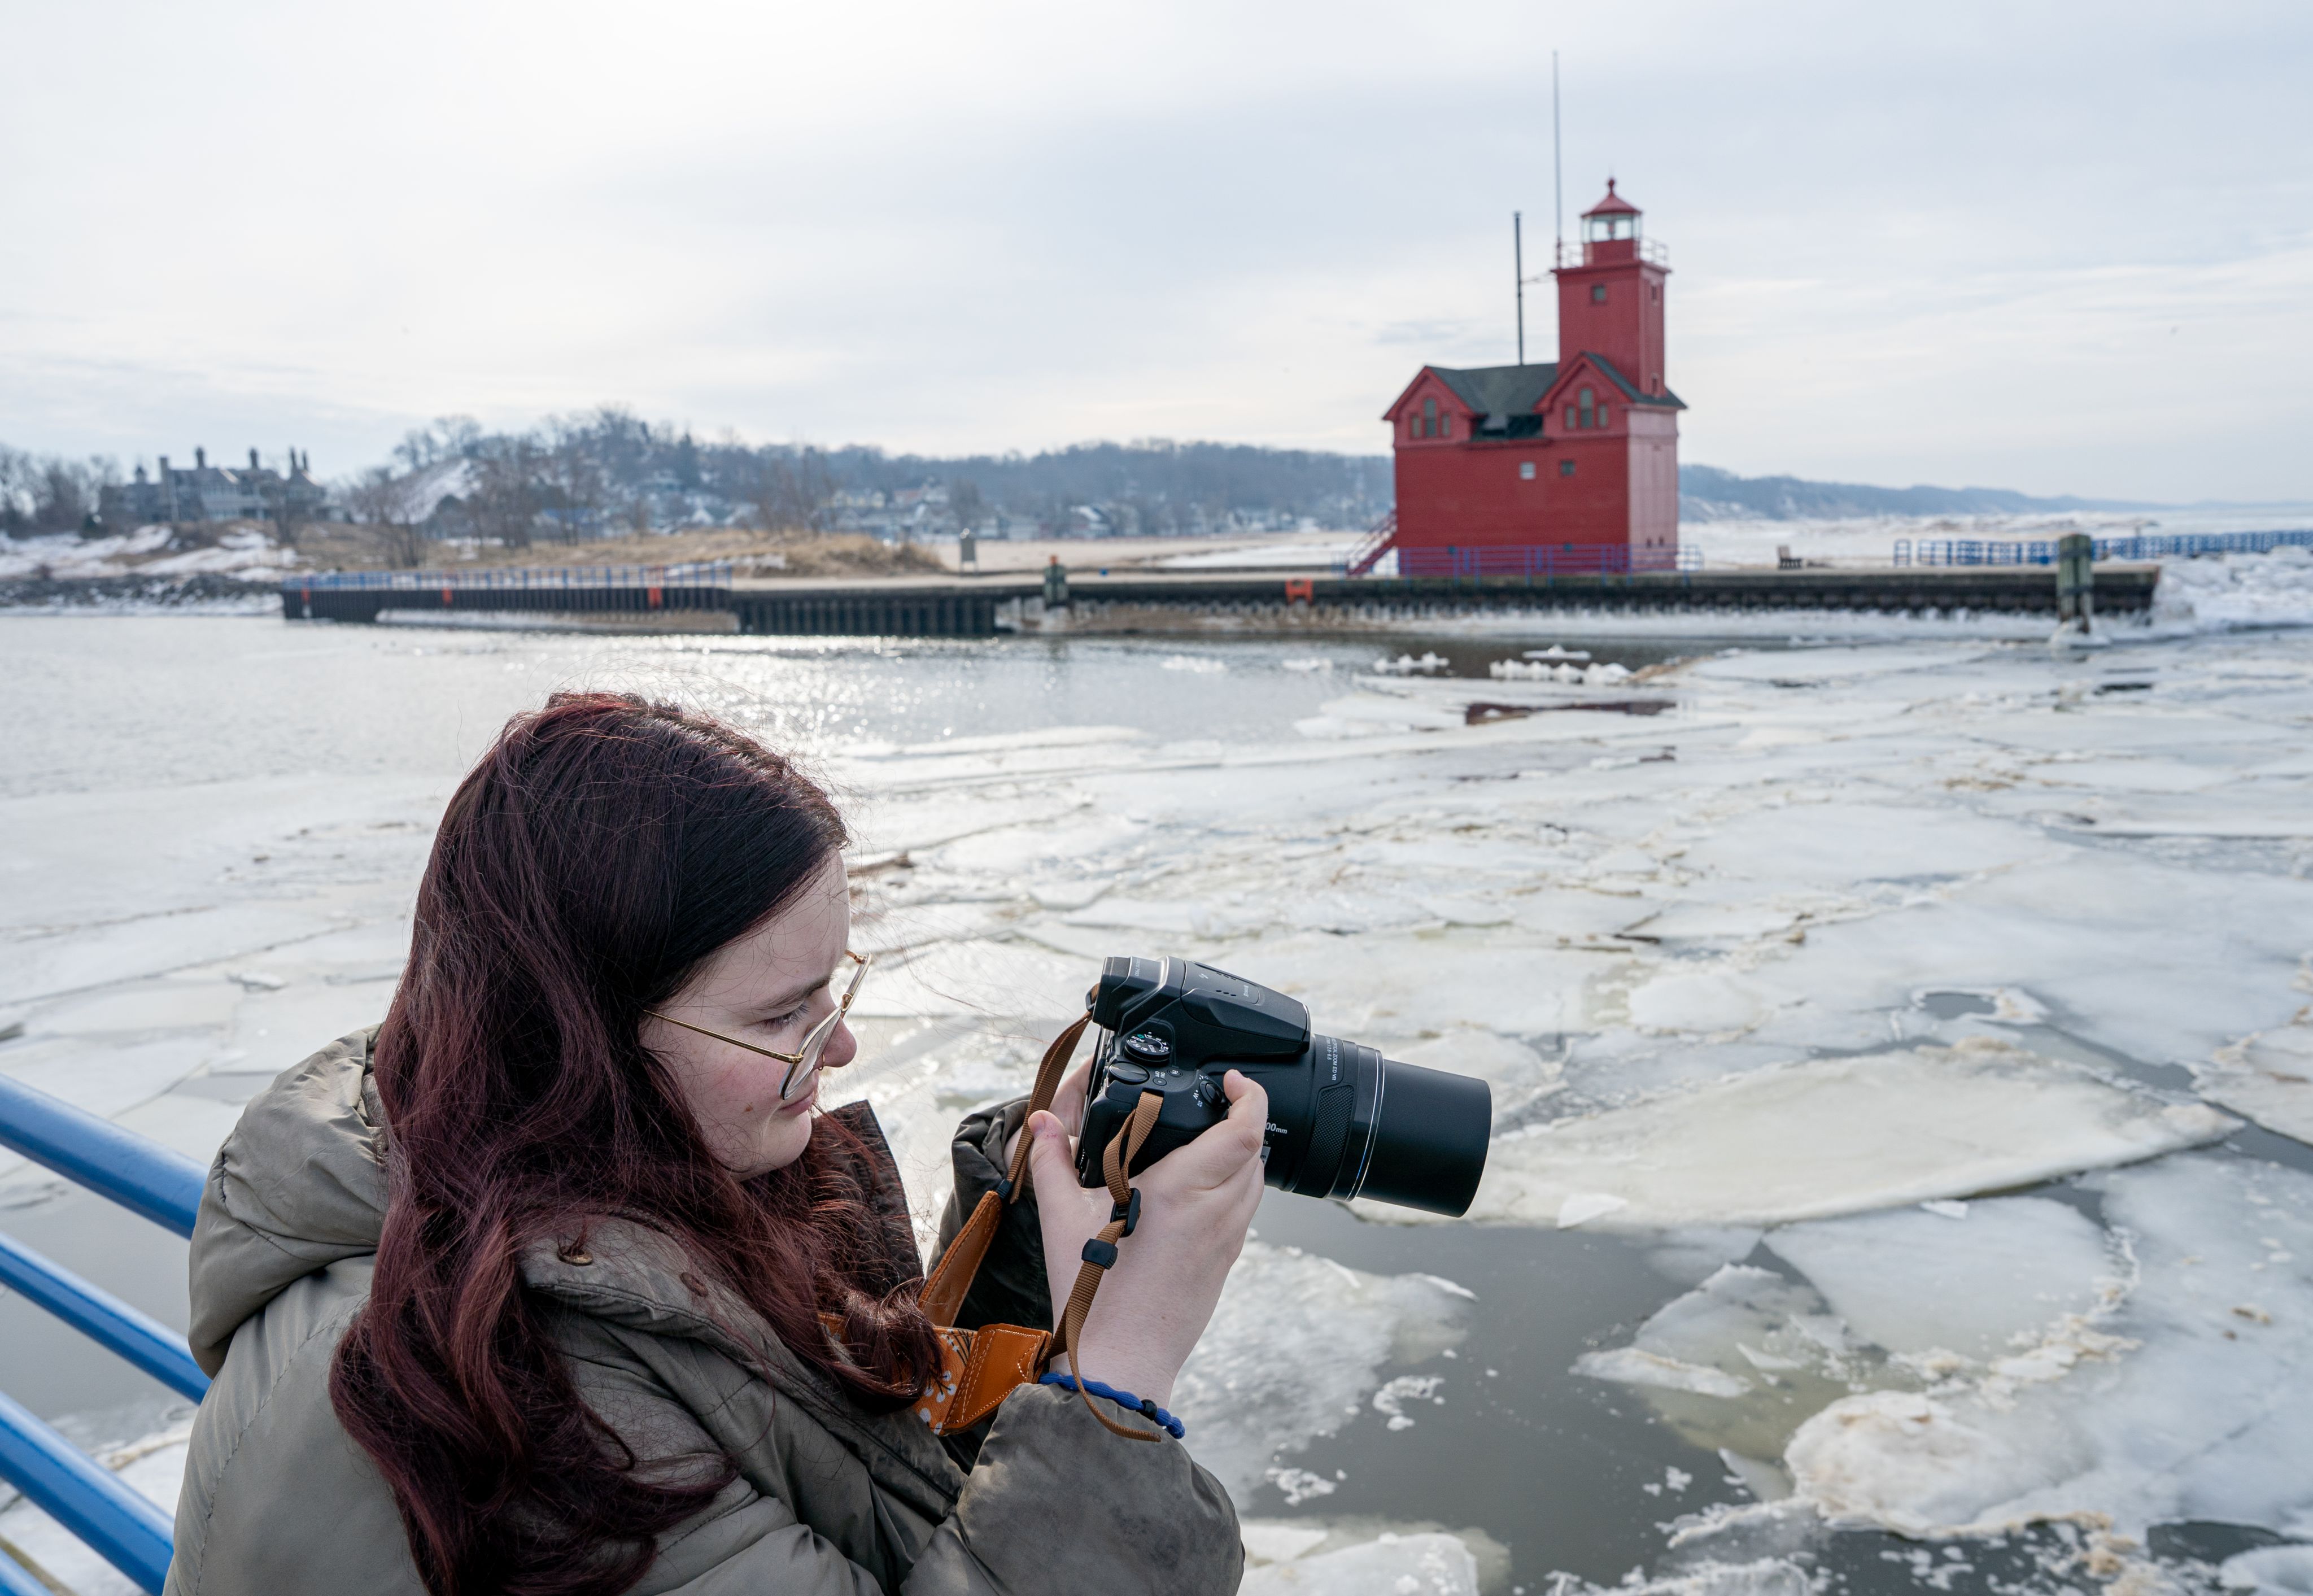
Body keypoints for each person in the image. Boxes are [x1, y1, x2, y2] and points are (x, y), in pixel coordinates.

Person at [165, 692, 1262, 1595]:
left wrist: (1015, 1262)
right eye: (780, 1015)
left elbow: (861, 1513)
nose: (839, 1046)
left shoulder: (576, 1192)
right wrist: (1115, 1390)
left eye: (832, 989)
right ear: (583, 1032)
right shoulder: (515, 1394)